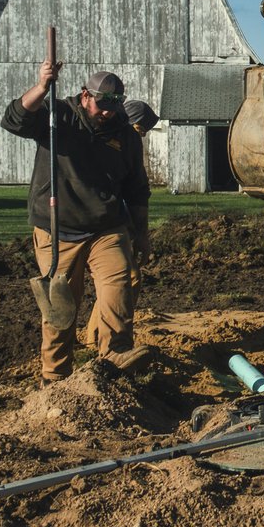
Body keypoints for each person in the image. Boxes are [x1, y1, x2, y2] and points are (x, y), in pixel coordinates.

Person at [1, 64, 152, 385]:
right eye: (102, 106)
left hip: (107, 228)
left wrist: (141, 234)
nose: (108, 114)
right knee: (60, 308)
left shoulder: (125, 134)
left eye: (114, 107)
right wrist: (42, 85)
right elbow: (14, 119)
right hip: (57, 229)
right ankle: (54, 378)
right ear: (86, 96)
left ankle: (114, 361)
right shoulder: (58, 117)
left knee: (119, 291)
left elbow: (137, 189)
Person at [83, 99, 160, 347]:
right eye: (140, 129)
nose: (141, 136)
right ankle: (101, 339)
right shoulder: (112, 147)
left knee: (116, 284)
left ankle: (95, 336)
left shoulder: (125, 147)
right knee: (126, 278)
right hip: (105, 227)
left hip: (116, 225)